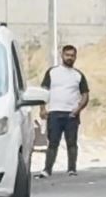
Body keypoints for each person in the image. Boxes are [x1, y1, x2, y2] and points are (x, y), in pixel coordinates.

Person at [36, 44, 89, 178]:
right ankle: (47, 169)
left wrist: (77, 109)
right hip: (54, 112)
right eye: (67, 55)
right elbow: (44, 91)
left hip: (71, 114)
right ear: (62, 55)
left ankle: (72, 168)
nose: (70, 58)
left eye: (72, 55)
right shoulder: (52, 72)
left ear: (75, 57)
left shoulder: (78, 75)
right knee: (53, 142)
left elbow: (85, 95)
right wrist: (42, 108)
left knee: (72, 142)